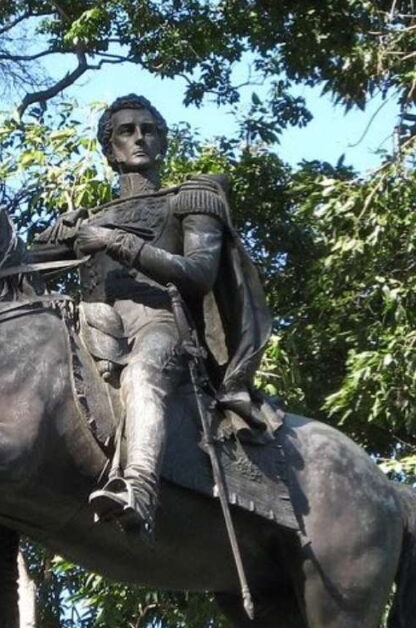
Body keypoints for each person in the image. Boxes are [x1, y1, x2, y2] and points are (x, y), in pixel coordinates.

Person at [32, 95, 272, 536]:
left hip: (160, 323)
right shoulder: (88, 218)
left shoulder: (189, 200)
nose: (139, 137)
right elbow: (21, 268)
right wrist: (55, 237)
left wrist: (113, 240)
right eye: (126, 131)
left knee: (143, 376)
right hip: (94, 324)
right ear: (110, 150)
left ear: (163, 142)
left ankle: (138, 488)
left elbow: (199, 274)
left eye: (149, 129)